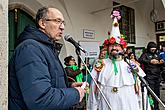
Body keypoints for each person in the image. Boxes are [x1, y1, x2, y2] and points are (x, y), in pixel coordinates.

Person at [8, 6, 87, 110]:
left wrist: (69, 86)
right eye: (58, 21)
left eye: (63, 22)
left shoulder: (46, 47)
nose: (62, 27)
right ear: (42, 23)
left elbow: (48, 81)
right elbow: (41, 99)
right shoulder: (30, 48)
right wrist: (75, 94)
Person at [87, 10, 147, 110]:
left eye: (117, 46)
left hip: (129, 105)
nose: (114, 48)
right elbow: (93, 92)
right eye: (111, 46)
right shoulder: (100, 65)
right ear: (107, 48)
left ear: (123, 49)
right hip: (106, 105)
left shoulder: (131, 64)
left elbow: (141, 91)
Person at [139, 41, 164, 110]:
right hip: (149, 77)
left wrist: (161, 62)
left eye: (154, 48)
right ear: (149, 48)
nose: (153, 50)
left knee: (157, 94)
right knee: (151, 93)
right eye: (152, 48)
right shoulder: (145, 54)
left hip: (157, 77)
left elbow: (161, 64)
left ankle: (156, 107)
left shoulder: (157, 54)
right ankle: (151, 107)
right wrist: (150, 61)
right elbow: (140, 60)